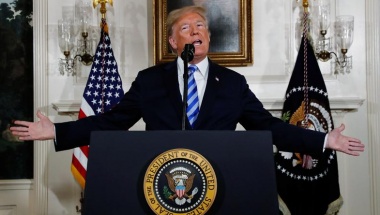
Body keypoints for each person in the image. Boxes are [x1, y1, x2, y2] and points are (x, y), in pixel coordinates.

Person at [10, 6, 364, 156]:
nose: (195, 32)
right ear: (172, 42)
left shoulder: (233, 83)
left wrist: (322, 140)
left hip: (220, 178)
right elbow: (113, 121)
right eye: (185, 28)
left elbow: (267, 126)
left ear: (208, 38)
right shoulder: (150, 81)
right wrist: (56, 131)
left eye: (200, 28)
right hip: (160, 177)